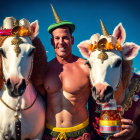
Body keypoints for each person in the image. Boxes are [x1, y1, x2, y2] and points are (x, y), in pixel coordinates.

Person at [42, 4, 136, 140]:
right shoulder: (44, 69)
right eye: (57, 38)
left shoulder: (87, 67)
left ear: (72, 40)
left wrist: (123, 122)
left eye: (65, 38)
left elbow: (111, 93)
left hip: (81, 134)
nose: (61, 42)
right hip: (49, 134)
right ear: (52, 42)